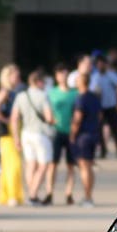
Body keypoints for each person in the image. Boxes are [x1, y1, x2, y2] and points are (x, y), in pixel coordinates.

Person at [12, 69, 57, 205]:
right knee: (43, 165)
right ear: (38, 82)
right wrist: (53, 121)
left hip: (26, 133)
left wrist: (16, 138)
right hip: (40, 133)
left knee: (31, 164)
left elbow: (14, 118)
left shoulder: (21, 96)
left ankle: (32, 192)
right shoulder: (43, 96)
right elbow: (48, 117)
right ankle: (33, 194)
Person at [0, 64, 26, 207]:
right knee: (13, 165)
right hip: (7, 132)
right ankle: (12, 195)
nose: (18, 78)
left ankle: (7, 195)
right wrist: (5, 119)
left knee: (8, 165)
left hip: (14, 129)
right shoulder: (6, 91)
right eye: (16, 76)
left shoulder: (15, 91)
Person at [47, 64, 80, 205]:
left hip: (71, 132)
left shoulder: (75, 93)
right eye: (60, 74)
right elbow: (46, 110)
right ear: (56, 76)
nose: (63, 76)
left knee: (70, 165)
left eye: (65, 74)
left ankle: (69, 193)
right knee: (52, 164)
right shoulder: (51, 93)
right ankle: (49, 192)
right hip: (56, 131)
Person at [70, 67, 101, 207]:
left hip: (83, 136)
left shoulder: (81, 98)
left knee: (84, 167)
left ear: (81, 82)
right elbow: (100, 115)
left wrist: (72, 134)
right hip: (93, 133)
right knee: (88, 166)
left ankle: (87, 197)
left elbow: (77, 118)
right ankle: (89, 196)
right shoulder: (94, 97)